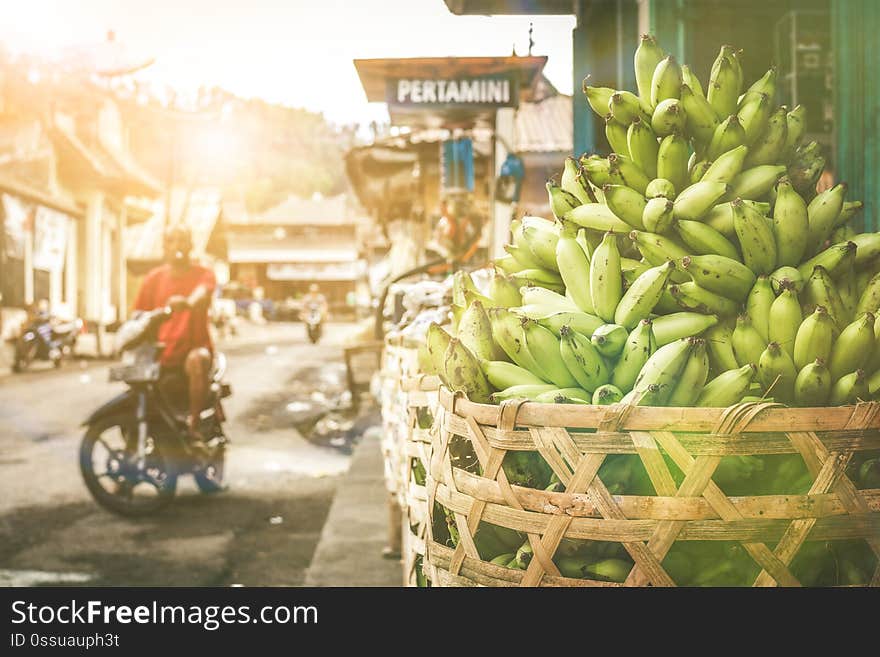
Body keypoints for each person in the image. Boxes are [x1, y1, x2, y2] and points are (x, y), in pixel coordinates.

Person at [132, 225, 216, 451]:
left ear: (190, 245)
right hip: (161, 353)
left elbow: (202, 292)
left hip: (193, 350)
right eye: (172, 241)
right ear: (164, 246)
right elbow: (138, 314)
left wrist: (187, 302)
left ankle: (194, 428)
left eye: (182, 240)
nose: (177, 246)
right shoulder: (153, 279)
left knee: (197, 361)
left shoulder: (203, 273)